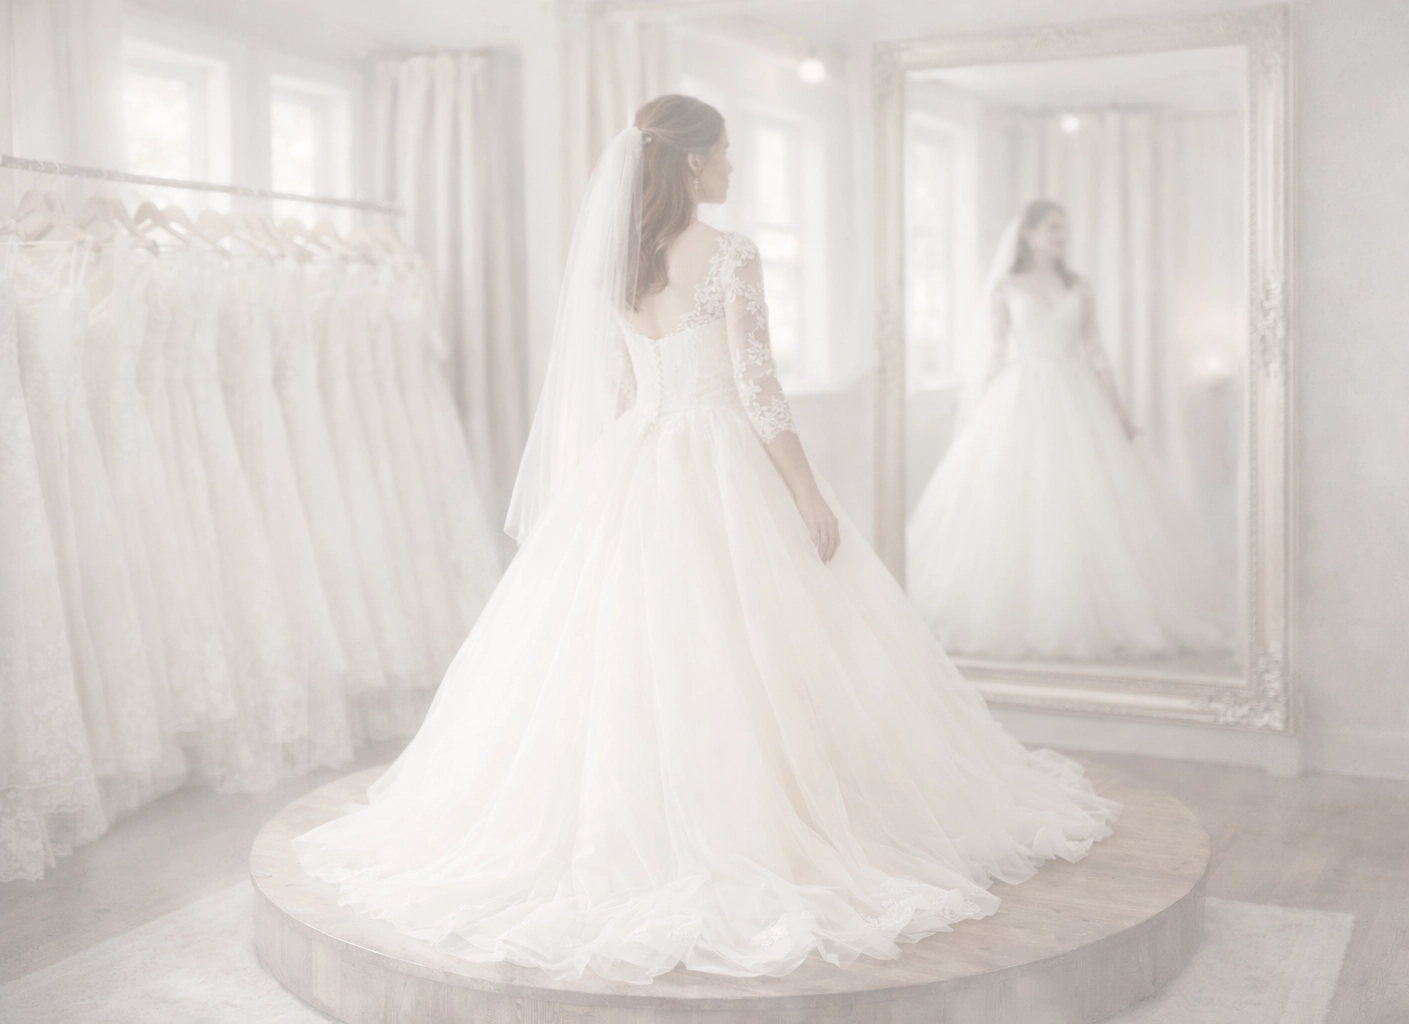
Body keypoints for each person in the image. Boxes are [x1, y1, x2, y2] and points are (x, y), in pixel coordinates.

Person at [293, 97, 1119, 985]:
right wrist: (806, 494)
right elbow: (759, 391)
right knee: (749, 651)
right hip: (719, 458)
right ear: (691, 165)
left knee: (636, 662)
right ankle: (758, 827)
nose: (735, 166)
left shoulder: (619, 261)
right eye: (725, 153)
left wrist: (596, 494)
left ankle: (649, 822)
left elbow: (614, 393)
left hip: (636, 461)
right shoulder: (730, 254)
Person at [907, 200, 1231, 661]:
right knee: (1020, 501)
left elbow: (1096, 352)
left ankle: (1099, 609)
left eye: (1065, 229)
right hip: (1020, 394)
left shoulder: (1079, 286)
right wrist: (979, 408)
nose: (1062, 236)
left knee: (1088, 502)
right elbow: (996, 351)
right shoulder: (1007, 285)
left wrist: (1119, 411)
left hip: (1075, 393)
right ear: (1029, 234)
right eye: (1054, 228)